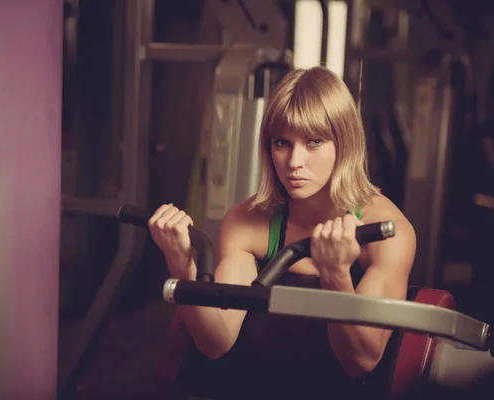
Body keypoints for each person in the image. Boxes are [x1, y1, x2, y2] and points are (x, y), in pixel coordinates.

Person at [148, 66, 417, 397]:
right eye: (282, 143)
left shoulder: (390, 233)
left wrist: (335, 275)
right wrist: (180, 262)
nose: (294, 161)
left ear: (344, 144)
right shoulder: (247, 222)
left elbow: (362, 360)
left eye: (314, 141)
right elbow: (215, 342)